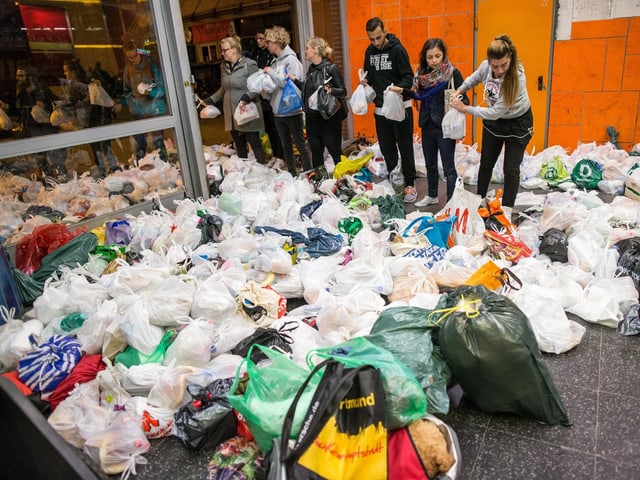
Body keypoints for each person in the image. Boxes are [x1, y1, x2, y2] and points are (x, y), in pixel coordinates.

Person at [449, 34, 533, 220]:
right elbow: (474, 78)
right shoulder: (486, 67)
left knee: (511, 169)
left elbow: (496, 112)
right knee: (486, 163)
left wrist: (465, 108)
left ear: (510, 58)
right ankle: (478, 201)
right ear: (489, 61)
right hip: (495, 123)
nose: (500, 69)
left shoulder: (517, 78)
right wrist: (460, 90)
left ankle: (507, 214)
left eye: (504, 65)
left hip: (517, 123)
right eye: (495, 66)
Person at [390, 38, 468, 206]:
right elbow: (419, 96)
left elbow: (465, 99)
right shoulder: (421, 76)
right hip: (427, 124)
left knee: (448, 168)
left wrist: (458, 101)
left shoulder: (453, 73)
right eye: (430, 57)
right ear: (424, 57)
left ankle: (450, 202)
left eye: (437, 56)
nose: (434, 61)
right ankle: (432, 195)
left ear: (443, 55)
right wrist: (402, 91)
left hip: (445, 126)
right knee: (430, 164)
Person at [362, 17, 417, 203]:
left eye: (378, 37)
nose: (376, 43)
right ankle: (396, 181)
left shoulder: (397, 50)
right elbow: (369, 75)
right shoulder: (369, 52)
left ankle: (410, 184)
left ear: (385, 31)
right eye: (372, 39)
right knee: (387, 149)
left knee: (405, 147)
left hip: (401, 107)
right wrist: (365, 82)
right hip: (380, 110)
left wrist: (397, 88)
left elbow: (408, 77)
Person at [206, 35, 266, 164]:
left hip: (246, 111)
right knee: (239, 146)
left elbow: (258, 86)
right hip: (231, 113)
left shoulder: (249, 65)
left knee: (254, 143)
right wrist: (211, 100)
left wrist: (247, 97)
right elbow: (224, 88)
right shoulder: (224, 67)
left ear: (234, 50)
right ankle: (243, 172)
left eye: (224, 50)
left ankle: (262, 170)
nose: (222, 53)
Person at [293, 36, 346, 178]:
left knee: (335, 152)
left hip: (329, 120)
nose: (305, 51)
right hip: (312, 120)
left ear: (315, 50)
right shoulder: (310, 70)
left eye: (307, 48)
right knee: (316, 154)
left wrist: (331, 90)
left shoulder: (331, 68)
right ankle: (321, 182)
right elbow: (308, 90)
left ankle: (343, 180)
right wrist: (294, 80)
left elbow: (343, 91)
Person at [263, 26, 311, 176]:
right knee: (286, 146)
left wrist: (270, 72)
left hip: (292, 110)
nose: (267, 45)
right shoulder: (275, 62)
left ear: (278, 42)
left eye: (269, 42)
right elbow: (276, 86)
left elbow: (288, 83)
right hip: (278, 111)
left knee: (300, 144)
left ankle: (309, 173)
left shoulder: (291, 60)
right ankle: (292, 173)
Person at [114, 39, 168, 162]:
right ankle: (141, 169)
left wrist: (150, 92)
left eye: (135, 55)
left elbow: (162, 88)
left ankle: (163, 165)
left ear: (140, 51)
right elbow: (127, 91)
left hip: (154, 110)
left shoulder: (151, 65)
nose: (133, 59)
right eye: (130, 57)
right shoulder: (128, 69)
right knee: (139, 146)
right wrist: (121, 103)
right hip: (138, 111)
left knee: (157, 143)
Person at [14, 65, 68, 177]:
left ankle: (60, 176)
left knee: (54, 155)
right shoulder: (20, 90)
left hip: (45, 126)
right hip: (31, 127)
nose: (18, 78)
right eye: (17, 75)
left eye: (21, 76)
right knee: (38, 157)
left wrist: (45, 105)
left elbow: (53, 100)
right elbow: (18, 108)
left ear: (29, 77)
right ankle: (45, 177)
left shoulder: (41, 87)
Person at [252, 29, 284, 161]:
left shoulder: (273, 57)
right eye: (257, 39)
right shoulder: (257, 54)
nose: (258, 41)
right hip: (263, 95)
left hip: (273, 95)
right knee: (268, 128)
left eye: (261, 39)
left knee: (277, 128)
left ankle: (280, 155)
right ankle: (275, 155)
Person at [87, 62, 121, 176]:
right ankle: (103, 169)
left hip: (101, 117)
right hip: (93, 120)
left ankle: (112, 166)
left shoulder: (103, 83)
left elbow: (110, 91)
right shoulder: (87, 88)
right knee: (97, 146)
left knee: (105, 144)